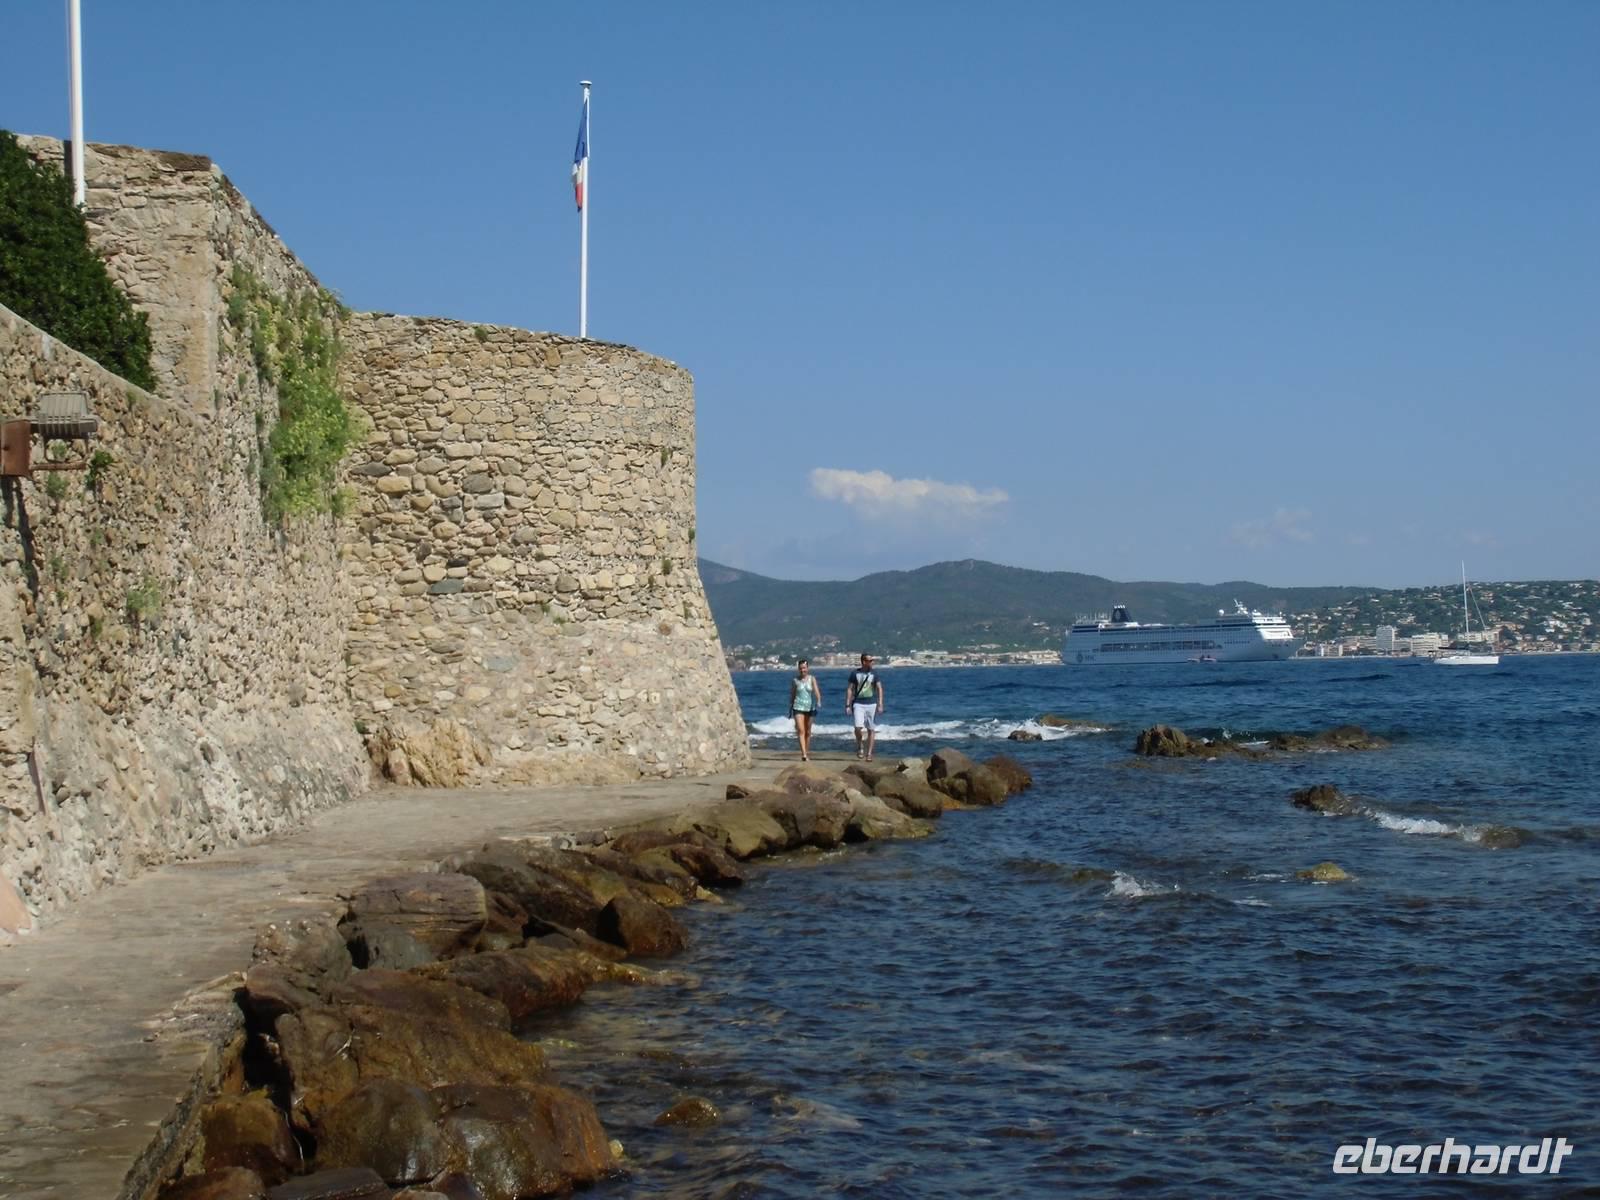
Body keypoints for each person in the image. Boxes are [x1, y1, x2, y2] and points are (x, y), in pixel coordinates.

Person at [844, 652, 885, 761]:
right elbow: (849, 689)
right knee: (858, 727)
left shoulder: (874, 674)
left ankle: (869, 754)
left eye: (872, 660)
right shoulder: (855, 673)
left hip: (871, 703)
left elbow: (879, 688)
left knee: (871, 729)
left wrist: (880, 704)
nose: (872, 662)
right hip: (858, 703)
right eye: (870, 660)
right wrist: (847, 705)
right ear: (863, 662)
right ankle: (860, 746)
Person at [788, 658, 822, 761]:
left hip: (810, 707)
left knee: (807, 731)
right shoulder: (795, 681)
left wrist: (819, 700)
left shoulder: (812, 679)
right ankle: (803, 754)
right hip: (798, 707)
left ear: (807, 668)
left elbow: (816, 691)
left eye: (804, 668)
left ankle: (806, 752)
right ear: (798, 669)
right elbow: (793, 695)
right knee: (801, 730)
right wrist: (790, 706)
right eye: (800, 668)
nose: (802, 670)